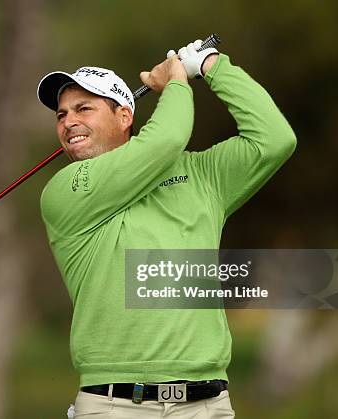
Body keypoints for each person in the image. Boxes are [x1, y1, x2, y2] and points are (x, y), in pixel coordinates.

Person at [36, 39, 296, 418]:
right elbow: (168, 138)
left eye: (83, 109)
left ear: (124, 116)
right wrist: (176, 81)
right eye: (61, 115)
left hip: (205, 404)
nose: (68, 121)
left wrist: (212, 65)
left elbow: (274, 139)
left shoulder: (201, 175)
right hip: (114, 405)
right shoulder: (67, 189)